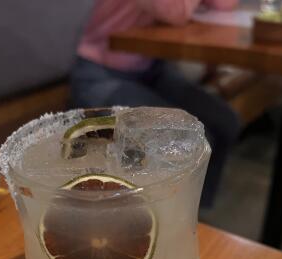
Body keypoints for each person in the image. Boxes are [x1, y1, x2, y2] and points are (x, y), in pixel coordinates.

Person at [70, 0, 241, 206]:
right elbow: (175, 11)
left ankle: (193, 215)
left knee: (225, 121)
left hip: (150, 69)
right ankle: (169, 217)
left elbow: (223, 4)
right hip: (99, 74)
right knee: (190, 141)